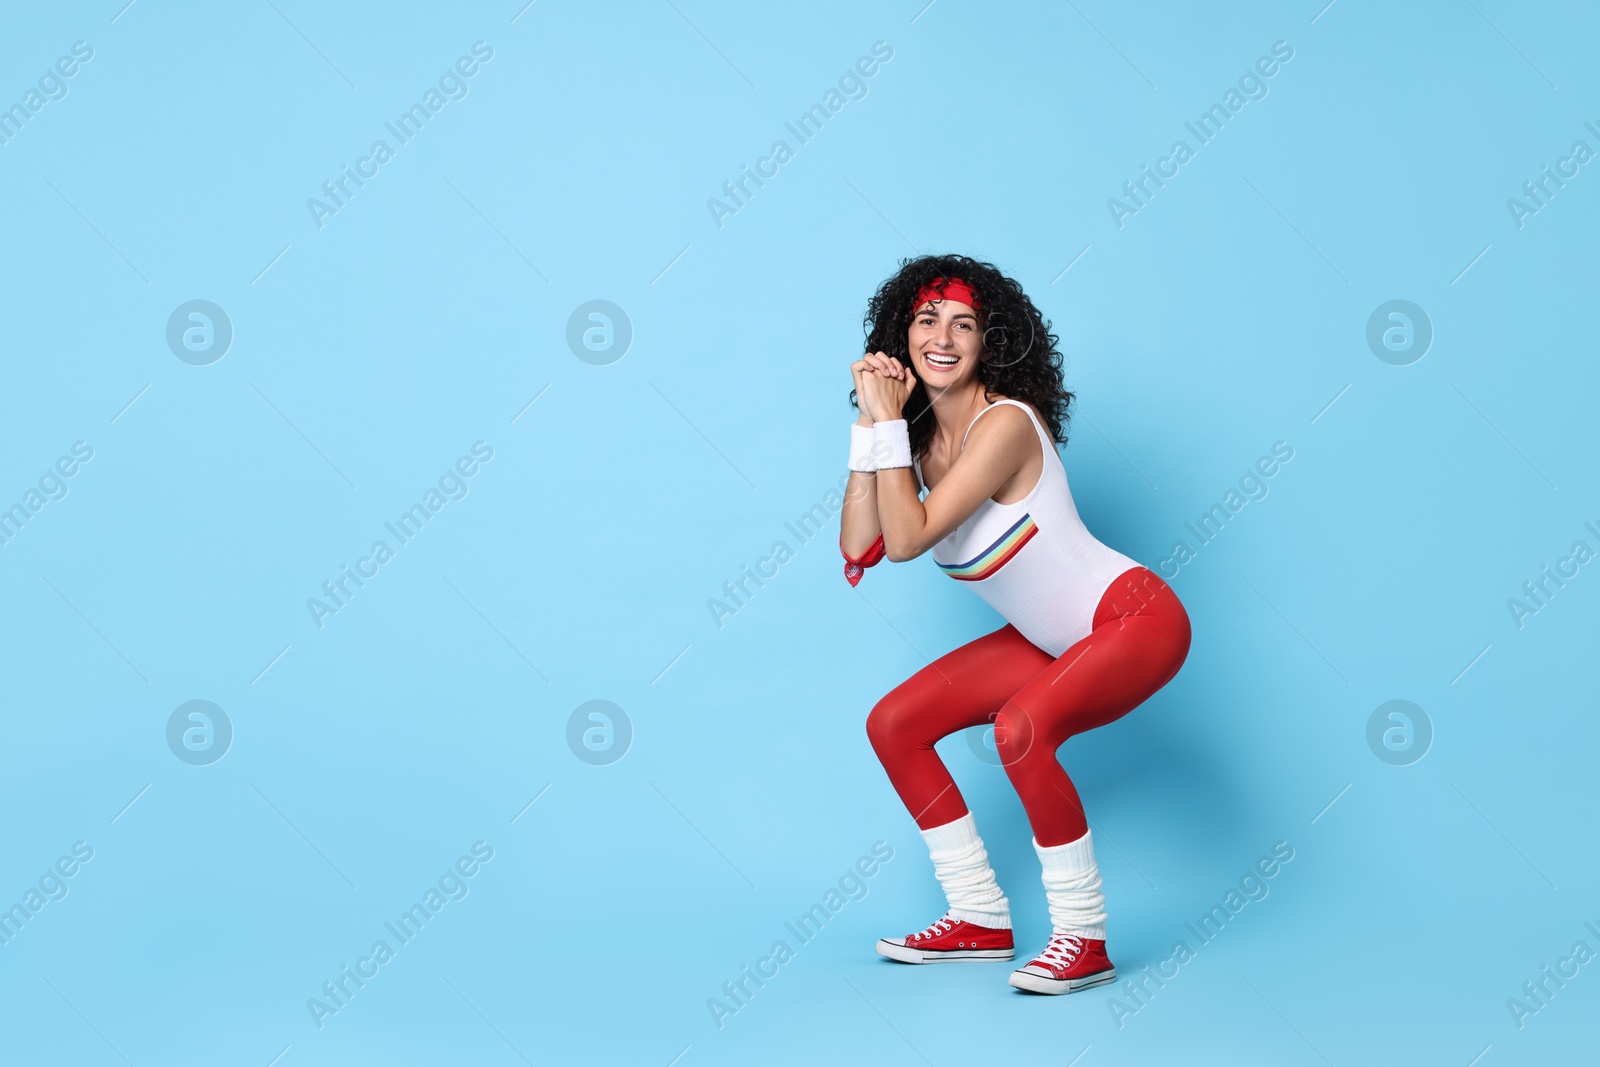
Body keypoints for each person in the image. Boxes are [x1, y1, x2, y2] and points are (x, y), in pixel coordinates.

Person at [840, 254, 1192, 994]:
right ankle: (978, 916)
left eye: (963, 323)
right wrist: (873, 427)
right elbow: (859, 543)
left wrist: (885, 430)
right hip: (1051, 639)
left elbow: (905, 540)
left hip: (1135, 616)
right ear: (901, 335)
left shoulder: (1004, 424)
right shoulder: (914, 441)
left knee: (1021, 730)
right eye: (926, 320)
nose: (943, 336)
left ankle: (1083, 938)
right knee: (894, 723)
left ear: (989, 342)